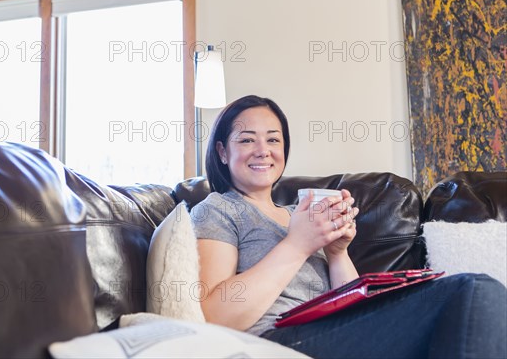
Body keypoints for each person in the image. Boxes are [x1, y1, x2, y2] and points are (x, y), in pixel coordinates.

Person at [190, 95, 507, 359]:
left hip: (335, 330)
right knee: (473, 290)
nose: (263, 150)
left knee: (483, 293)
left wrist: (337, 251)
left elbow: (351, 305)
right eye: (247, 140)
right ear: (222, 151)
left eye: (273, 139)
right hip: (278, 339)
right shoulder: (218, 209)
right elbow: (216, 315)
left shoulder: (300, 214)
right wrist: (298, 244)